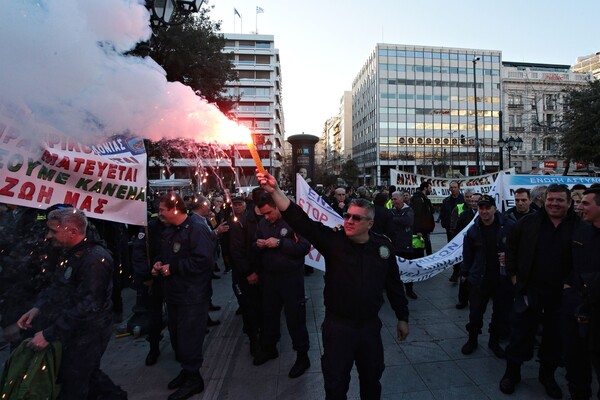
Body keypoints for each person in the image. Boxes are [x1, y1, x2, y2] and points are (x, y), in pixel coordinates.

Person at [256, 171, 409, 399]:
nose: (348, 221)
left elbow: (394, 284)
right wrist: (276, 191)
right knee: (335, 385)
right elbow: (301, 221)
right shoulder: (333, 242)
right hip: (339, 328)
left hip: (369, 328)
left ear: (370, 223)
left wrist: (402, 317)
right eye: (347, 215)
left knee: (371, 381)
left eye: (356, 218)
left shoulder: (382, 248)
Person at [17, 208, 126, 400]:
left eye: (54, 231)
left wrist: (49, 334)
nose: (48, 236)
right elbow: (60, 285)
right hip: (74, 329)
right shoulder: (72, 253)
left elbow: (88, 305)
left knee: (77, 380)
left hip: (90, 331)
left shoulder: (94, 259)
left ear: (72, 231)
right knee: (85, 374)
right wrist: (37, 308)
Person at [500, 184, 578, 398]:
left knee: (554, 339)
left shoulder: (578, 226)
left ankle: (547, 375)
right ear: (545, 200)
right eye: (551, 199)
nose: (554, 203)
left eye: (560, 200)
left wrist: (571, 283)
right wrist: (514, 276)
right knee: (519, 335)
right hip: (529, 291)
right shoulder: (529, 222)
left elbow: (584, 257)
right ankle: (512, 373)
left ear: (569, 203)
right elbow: (511, 248)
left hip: (560, 297)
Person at [153, 193, 214, 400]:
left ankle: (194, 379)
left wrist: (175, 268)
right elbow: (167, 254)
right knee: (177, 336)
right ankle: (186, 370)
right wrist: (159, 263)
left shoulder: (196, 229)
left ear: (174, 209)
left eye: (162, 210)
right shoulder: (170, 231)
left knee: (190, 338)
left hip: (192, 296)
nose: (159, 213)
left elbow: (204, 261)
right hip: (175, 294)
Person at [252, 192, 312, 378]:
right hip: (270, 278)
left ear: (277, 206)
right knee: (269, 315)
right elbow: (254, 242)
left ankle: (302, 356)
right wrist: (259, 244)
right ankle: (269, 347)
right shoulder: (263, 223)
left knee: (295, 317)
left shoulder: (294, 221)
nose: (267, 217)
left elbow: (304, 247)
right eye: (264, 215)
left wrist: (279, 243)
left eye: (269, 213)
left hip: (291, 278)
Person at [460, 195, 514, 359]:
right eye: (480, 208)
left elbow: (520, 249)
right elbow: (467, 254)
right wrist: (465, 274)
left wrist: (509, 258)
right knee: (475, 313)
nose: (483, 211)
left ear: (494, 209)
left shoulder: (508, 226)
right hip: (479, 279)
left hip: (501, 279)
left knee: (499, 313)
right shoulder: (473, 230)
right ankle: (472, 339)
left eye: (487, 208)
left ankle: (494, 341)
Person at [562, 187, 600, 400]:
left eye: (586, 203)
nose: (579, 207)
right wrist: (569, 287)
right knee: (575, 359)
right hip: (576, 306)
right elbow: (571, 263)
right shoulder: (581, 230)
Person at [221, 194, 263, 357]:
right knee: (249, 306)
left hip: (260, 272)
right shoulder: (236, 222)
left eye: (240, 204)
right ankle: (254, 338)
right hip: (243, 271)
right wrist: (247, 271)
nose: (237, 207)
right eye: (235, 204)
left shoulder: (262, 220)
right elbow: (235, 249)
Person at [453, 192, 481, 309]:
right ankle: (462, 300)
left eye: (476, 201)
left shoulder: (484, 214)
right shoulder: (464, 215)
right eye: (472, 201)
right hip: (466, 250)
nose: (473, 203)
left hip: (480, 250)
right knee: (464, 274)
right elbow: (457, 231)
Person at [411, 181, 435, 256]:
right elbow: (417, 215)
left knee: (427, 246)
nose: (431, 190)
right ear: (425, 188)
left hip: (425, 228)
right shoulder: (418, 199)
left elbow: (430, 211)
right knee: (420, 249)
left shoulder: (425, 198)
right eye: (430, 188)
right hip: (421, 229)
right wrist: (418, 230)